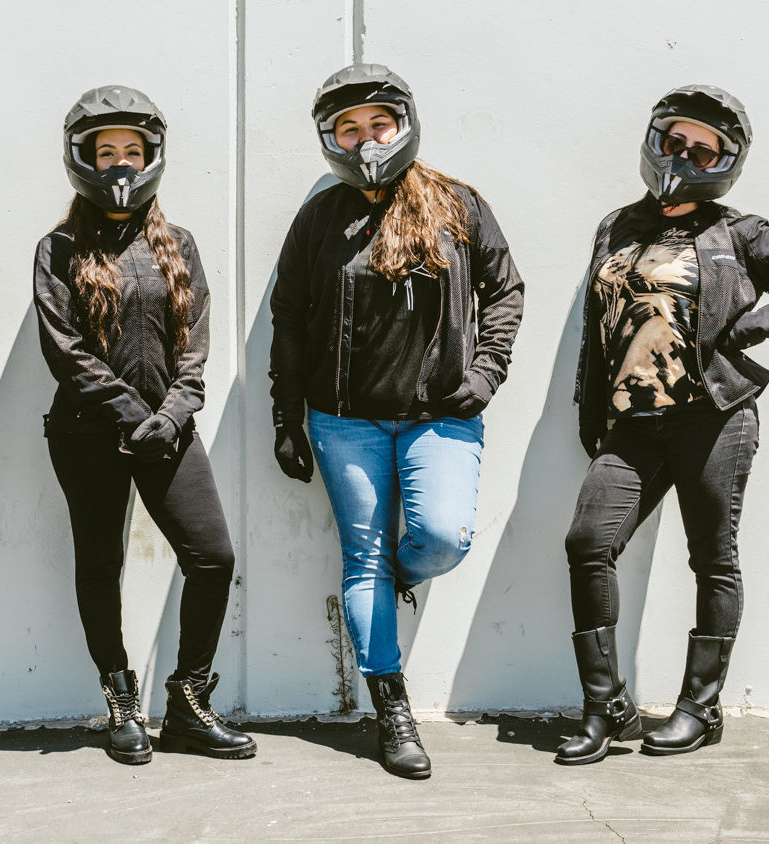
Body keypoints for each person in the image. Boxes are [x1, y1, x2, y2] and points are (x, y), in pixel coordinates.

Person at [558, 85, 769, 765]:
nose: (682, 155)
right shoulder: (616, 225)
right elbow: (599, 330)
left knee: (712, 559)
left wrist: (757, 324)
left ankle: (699, 708)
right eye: (674, 140)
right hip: (634, 423)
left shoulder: (738, 232)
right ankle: (606, 707)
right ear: (654, 139)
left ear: (724, 161)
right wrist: (591, 414)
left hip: (712, 417)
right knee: (586, 543)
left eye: (701, 149)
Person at [269, 63, 525, 779]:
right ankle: (393, 710)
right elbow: (287, 319)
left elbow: (505, 290)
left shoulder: (457, 203)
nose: (365, 138)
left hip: (438, 416)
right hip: (344, 420)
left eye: (377, 123)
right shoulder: (320, 216)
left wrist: (486, 372)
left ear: (404, 121)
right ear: (328, 137)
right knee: (361, 559)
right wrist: (285, 417)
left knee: (440, 539)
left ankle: (391, 577)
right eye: (348, 128)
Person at [34, 85, 255, 765]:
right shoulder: (60, 246)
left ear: (153, 156)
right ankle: (121, 703)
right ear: (83, 159)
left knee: (213, 557)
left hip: (169, 430)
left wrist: (174, 412)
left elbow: (197, 340)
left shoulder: (178, 242)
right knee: (101, 565)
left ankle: (188, 703)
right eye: (107, 152)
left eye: (133, 150)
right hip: (87, 432)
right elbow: (64, 348)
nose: (121, 164)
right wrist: (134, 415)